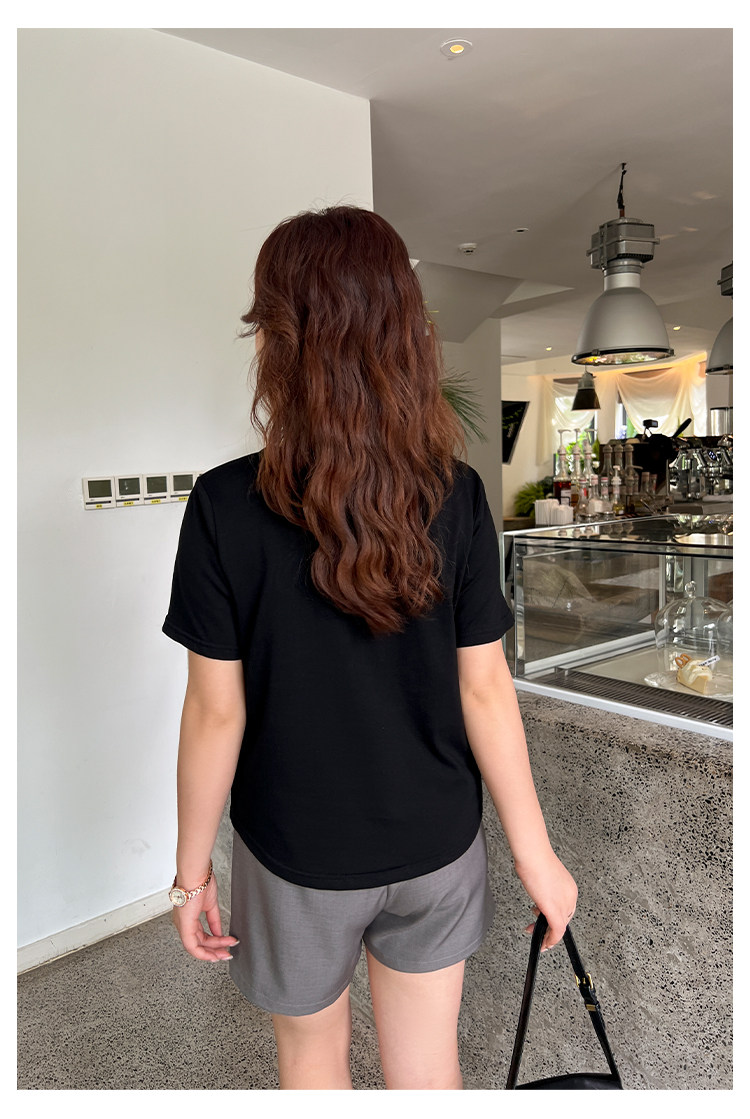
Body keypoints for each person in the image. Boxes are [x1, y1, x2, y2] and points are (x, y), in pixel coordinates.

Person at [163, 205, 577, 1090]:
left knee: (313, 1063)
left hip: (297, 851)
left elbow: (215, 711)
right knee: (427, 1072)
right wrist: (535, 853)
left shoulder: (223, 506)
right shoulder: (457, 495)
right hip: (437, 842)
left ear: (280, 337)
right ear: (402, 332)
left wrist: (191, 874)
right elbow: (485, 689)